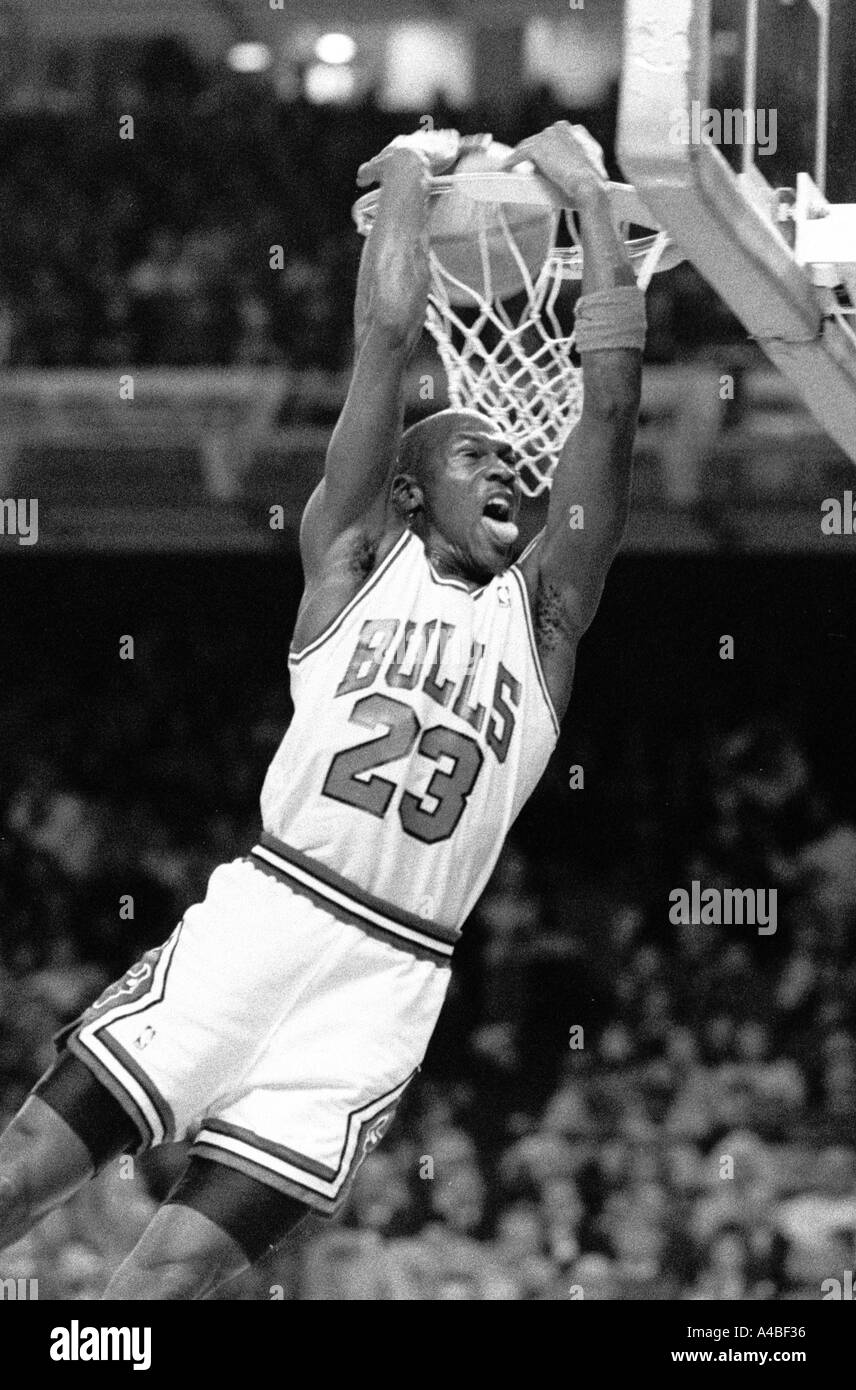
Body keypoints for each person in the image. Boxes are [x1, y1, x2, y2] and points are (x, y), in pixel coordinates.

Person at [0, 123, 647, 1300]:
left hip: (392, 981)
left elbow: (605, 414)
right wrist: (404, 175)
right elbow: (387, 338)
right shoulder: (352, 561)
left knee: (156, 1290)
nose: (508, 468)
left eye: (516, 461)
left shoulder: (546, 621)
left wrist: (594, 204)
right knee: (19, 1179)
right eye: (474, 455)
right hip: (271, 914)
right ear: (406, 490)